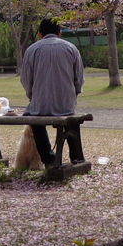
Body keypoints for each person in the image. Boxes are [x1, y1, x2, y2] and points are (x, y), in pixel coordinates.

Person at [19, 18, 85, 166]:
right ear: (59, 32)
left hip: (40, 105)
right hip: (66, 104)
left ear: (40, 33)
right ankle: (76, 156)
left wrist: (32, 96)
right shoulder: (71, 48)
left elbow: (25, 80)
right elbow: (79, 79)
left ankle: (49, 159)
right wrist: (73, 95)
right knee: (71, 121)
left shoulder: (32, 50)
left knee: (33, 119)